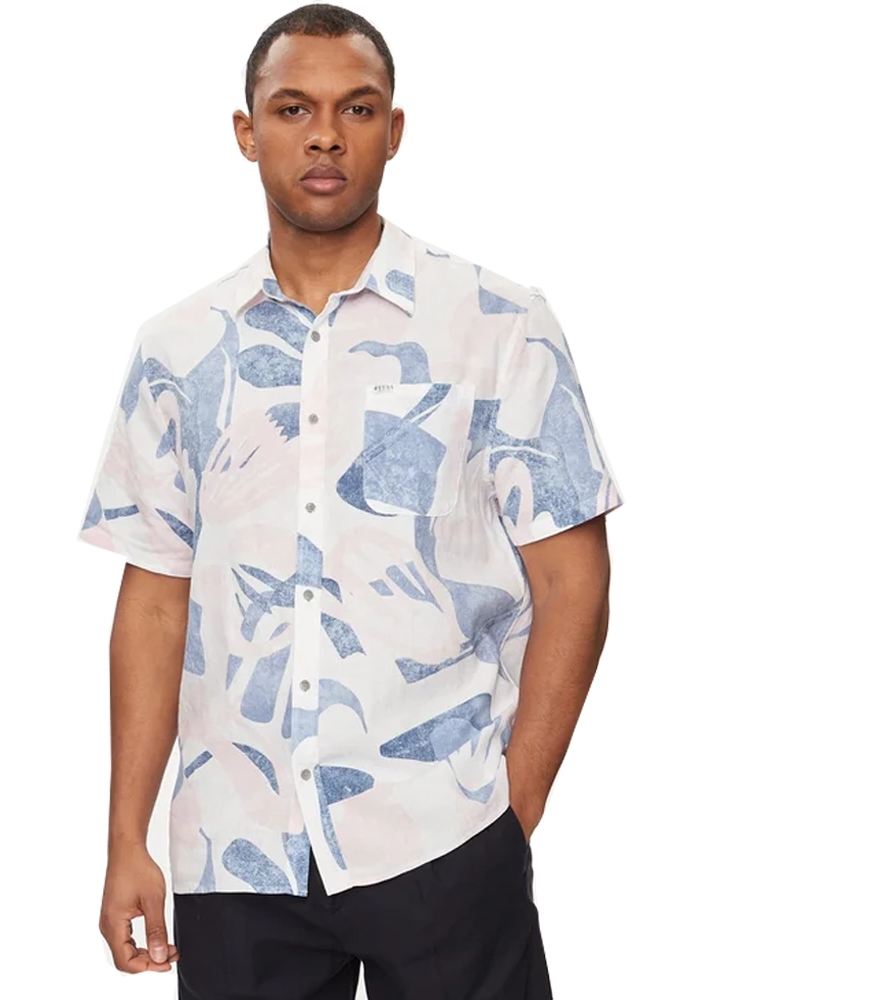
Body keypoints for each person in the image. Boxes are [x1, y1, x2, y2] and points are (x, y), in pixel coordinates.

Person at [76, 4, 624, 998]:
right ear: (247, 132)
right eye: (293, 108)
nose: (324, 134)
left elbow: (571, 580)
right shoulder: (179, 349)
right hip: (236, 848)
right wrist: (126, 838)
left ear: (393, 130)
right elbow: (155, 599)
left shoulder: (498, 324)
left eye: (356, 108)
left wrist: (514, 810)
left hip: (443, 828)